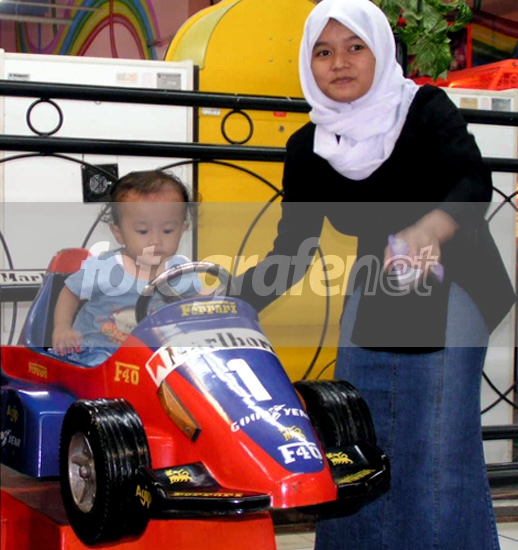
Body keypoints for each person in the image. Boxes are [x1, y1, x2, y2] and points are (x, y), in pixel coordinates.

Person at [234, 0, 516, 548]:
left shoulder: (425, 109)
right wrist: (231, 301)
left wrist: (429, 228)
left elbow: (472, 183)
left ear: (381, 51)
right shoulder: (309, 147)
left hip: (455, 278)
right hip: (377, 282)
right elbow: (294, 249)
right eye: (323, 52)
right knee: (357, 440)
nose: (339, 62)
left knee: (436, 445)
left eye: (355, 47)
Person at [51, 169, 198, 366]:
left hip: (155, 355)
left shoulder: (182, 272)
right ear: (118, 233)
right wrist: (62, 328)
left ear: (182, 229)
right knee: (101, 367)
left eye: (168, 230)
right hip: (100, 350)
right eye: (143, 231)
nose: (156, 240)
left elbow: (200, 305)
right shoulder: (105, 268)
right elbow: (70, 291)